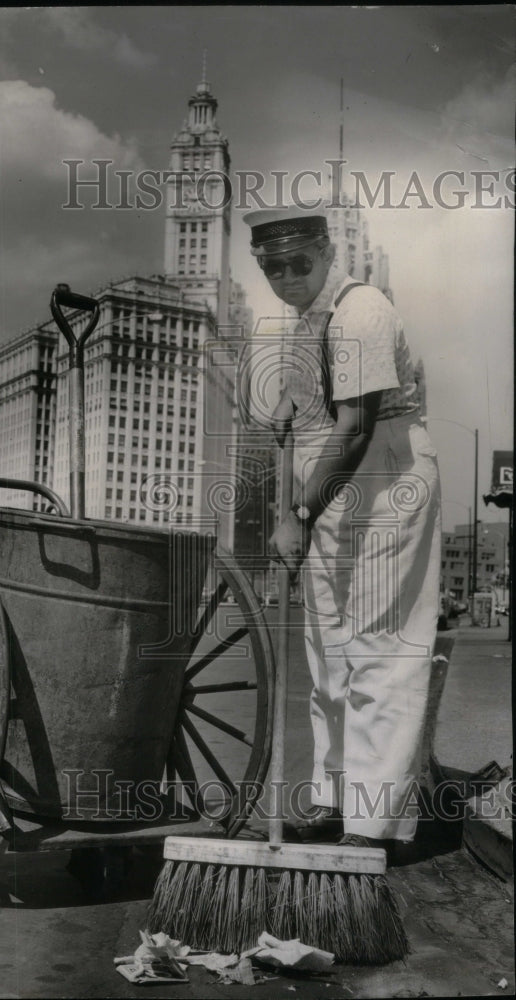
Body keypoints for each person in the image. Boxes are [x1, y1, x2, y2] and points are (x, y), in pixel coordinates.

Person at [244, 206, 441, 851]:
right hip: (327, 469)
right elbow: (312, 421)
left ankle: (373, 824)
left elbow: (355, 430)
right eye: (272, 266)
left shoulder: (363, 311)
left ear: (328, 253)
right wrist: (289, 412)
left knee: (378, 648)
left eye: (300, 262)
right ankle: (332, 800)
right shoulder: (298, 326)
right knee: (327, 649)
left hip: (386, 471)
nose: (286, 275)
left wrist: (299, 514)